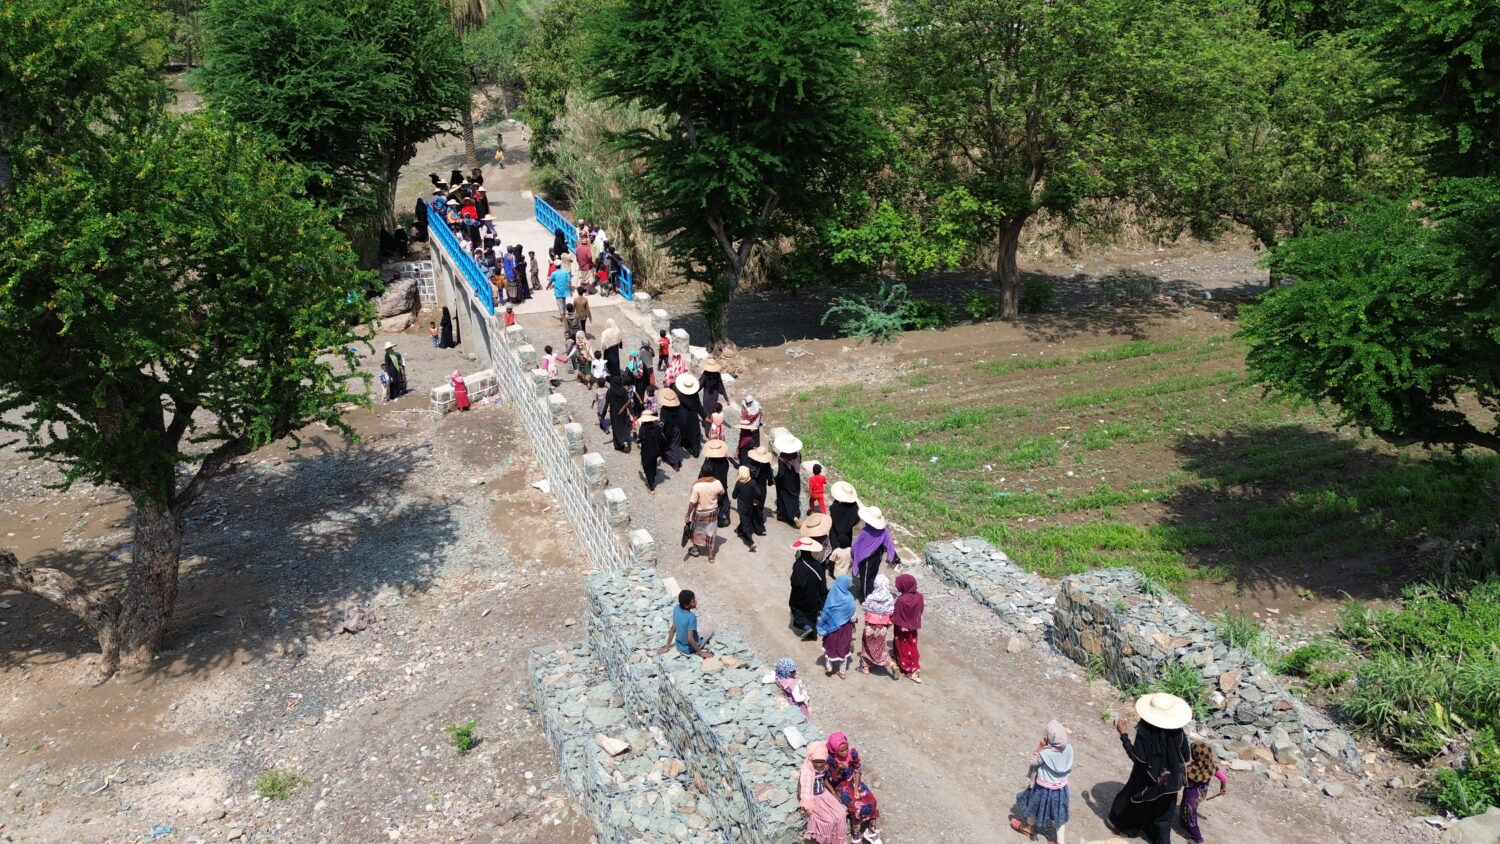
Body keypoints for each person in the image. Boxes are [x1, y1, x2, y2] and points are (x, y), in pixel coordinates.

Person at [1108, 694, 1193, 844]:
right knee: (1164, 814)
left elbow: (1138, 758)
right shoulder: (1178, 733)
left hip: (1148, 778)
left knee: (1137, 803)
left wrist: (1123, 735)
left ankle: (1128, 829)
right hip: (1170, 780)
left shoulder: (1146, 731)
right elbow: (1185, 756)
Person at [1012, 721, 1073, 844]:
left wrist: (1040, 746)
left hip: (1042, 789)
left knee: (1033, 805)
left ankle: (1029, 827)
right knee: (1059, 814)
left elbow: (1033, 762)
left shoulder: (1046, 753)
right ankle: (1061, 841)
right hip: (1061, 789)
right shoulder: (1069, 748)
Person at [824, 732, 881, 843]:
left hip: (854, 781)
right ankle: (856, 836)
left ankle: (871, 831)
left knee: (872, 801)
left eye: (846, 748)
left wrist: (856, 787)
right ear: (835, 750)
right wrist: (839, 769)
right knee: (856, 808)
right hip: (841, 786)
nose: (845, 752)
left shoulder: (853, 753)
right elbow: (832, 780)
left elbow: (857, 769)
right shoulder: (830, 760)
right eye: (842, 750)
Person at [798, 741, 849, 844]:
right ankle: (824, 840)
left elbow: (824, 780)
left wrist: (833, 793)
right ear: (811, 760)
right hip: (813, 798)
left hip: (824, 794)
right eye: (816, 762)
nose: (819, 764)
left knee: (841, 814)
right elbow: (800, 788)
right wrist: (805, 805)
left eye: (822, 762)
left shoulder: (824, 768)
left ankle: (837, 840)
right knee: (829, 821)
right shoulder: (806, 771)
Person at [1179, 740, 1227, 844]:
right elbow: (1223, 778)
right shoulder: (1211, 766)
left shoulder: (1191, 769)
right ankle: (1183, 822)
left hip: (1191, 794)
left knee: (1191, 813)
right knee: (1184, 805)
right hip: (1201, 794)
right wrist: (1223, 788)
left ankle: (1197, 837)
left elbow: (1182, 781)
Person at [850, 506, 899, 602]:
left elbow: (856, 546)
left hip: (866, 560)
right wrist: (895, 558)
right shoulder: (884, 531)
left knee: (865, 579)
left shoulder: (865, 532)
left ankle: (865, 598)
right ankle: (869, 592)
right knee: (872, 576)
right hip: (877, 558)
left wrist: (854, 555)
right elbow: (889, 545)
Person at [858, 574, 900, 679]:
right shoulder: (889, 597)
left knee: (866, 645)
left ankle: (865, 667)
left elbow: (865, 607)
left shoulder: (871, 597)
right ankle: (892, 665)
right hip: (883, 627)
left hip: (870, 625)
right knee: (880, 647)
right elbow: (891, 610)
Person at [817, 575, 857, 678]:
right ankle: (842, 672)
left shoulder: (832, 595)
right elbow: (853, 616)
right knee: (844, 648)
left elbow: (826, 610)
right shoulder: (849, 599)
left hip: (832, 628)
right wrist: (853, 624)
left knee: (830, 646)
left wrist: (822, 624)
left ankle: (829, 667)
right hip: (845, 629)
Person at [789, 538, 828, 640]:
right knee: (811, 613)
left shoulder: (798, 564)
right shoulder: (817, 564)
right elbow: (822, 582)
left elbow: (795, 581)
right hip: (813, 595)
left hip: (800, 594)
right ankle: (812, 633)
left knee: (796, 608)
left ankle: (806, 626)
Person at [658, 590, 712, 657]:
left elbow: (673, 628)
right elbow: (690, 639)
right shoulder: (691, 617)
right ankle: (698, 648)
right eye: (693, 602)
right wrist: (700, 653)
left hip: (679, 646)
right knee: (709, 631)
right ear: (686, 605)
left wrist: (667, 646)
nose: (696, 602)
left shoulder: (676, 608)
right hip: (688, 649)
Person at [685, 471, 724, 563]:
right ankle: (710, 556)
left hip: (700, 513)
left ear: (702, 473)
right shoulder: (717, 482)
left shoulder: (697, 486)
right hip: (712, 512)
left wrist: (688, 514)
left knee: (695, 531)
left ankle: (695, 550)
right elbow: (722, 492)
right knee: (711, 533)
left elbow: (693, 502)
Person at [891, 573, 924, 683]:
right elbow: (920, 610)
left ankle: (907, 668)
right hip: (913, 628)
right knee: (912, 646)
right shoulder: (919, 597)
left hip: (901, 629)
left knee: (902, 647)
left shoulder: (901, 600)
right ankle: (915, 667)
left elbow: (895, 615)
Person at [699, 439, 732, 525]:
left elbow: (703, 473)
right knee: (722, 502)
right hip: (722, 485)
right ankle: (723, 516)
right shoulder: (725, 461)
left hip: (711, 486)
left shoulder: (708, 462)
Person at [774, 434, 804, 527]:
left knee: (783, 498)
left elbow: (781, 473)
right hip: (795, 479)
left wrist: (776, 479)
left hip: (785, 481)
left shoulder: (782, 457)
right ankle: (795, 515)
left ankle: (784, 516)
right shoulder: (797, 455)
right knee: (794, 497)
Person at [673, 374, 703, 458]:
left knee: (684, 433)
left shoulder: (679, 395)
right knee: (695, 434)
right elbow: (699, 406)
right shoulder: (695, 395)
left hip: (682, 418)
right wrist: (704, 417)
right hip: (693, 417)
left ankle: (685, 445)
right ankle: (695, 452)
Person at [732, 466, 761, 551]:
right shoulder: (752, 482)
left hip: (742, 508)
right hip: (750, 507)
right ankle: (738, 529)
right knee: (745, 519)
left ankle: (751, 543)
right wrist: (756, 500)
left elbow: (734, 496)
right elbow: (759, 493)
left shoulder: (739, 484)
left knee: (746, 525)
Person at [747, 447, 774, 532]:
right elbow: (770, 479)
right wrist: (770, 482)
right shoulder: (767, 466)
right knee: (759, 506)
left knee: (751, 504)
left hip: (752, 488)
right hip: (762, 489)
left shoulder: (751, 463)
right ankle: (758, 525)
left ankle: (750, 523)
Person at [638, 411, 665, 494]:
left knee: (647, 467)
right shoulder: (657, 427)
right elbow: (661, 439)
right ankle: (653, 475)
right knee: (653, 463)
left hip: (647, 451)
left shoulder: (642, 428)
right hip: (656, 450)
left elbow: (641, 440)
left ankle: (651, 487)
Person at [775, 658, 810, 722]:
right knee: (803, 714)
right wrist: (805, 696)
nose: (795, 671)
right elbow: (798, 699)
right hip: (797, 704)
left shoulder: (779, 677)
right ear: (787, 673)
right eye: (793, 671)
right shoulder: (793, 683)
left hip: (788, 698)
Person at [658, 388, 685, 471]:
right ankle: (676, 463)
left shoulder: (664, 410)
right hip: (677, 429)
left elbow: (662, 423)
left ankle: (673, 461)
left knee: (669, 445)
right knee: (675, 446)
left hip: (668, 430)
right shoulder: (678, 408)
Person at [828, 481, 860, 550]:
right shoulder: (854, 506)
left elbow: (832, 515)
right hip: (847, 535)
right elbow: (857, 520)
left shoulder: (836, 506)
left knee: (834, 551)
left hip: (835, 534)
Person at [606, 376, 633, 453]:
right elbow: (628, 403)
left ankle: (619, 445)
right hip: (622, 413)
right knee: (624, 428)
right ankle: (625, 443)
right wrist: (632, 413)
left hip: (614, 414)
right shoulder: (624, 391)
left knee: (617, 429)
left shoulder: (610, 391)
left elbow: (606, 403)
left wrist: (603, 414)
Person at [698, 359, 726, 428]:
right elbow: (721, 386)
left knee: (706, 410)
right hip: (715, 396)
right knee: (713, 410)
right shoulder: (717, 375)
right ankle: (713, 423)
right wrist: (726, 398)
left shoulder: (705, 374)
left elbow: (700, 384)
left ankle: (707, 427)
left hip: (707, 395)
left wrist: (693, 391)